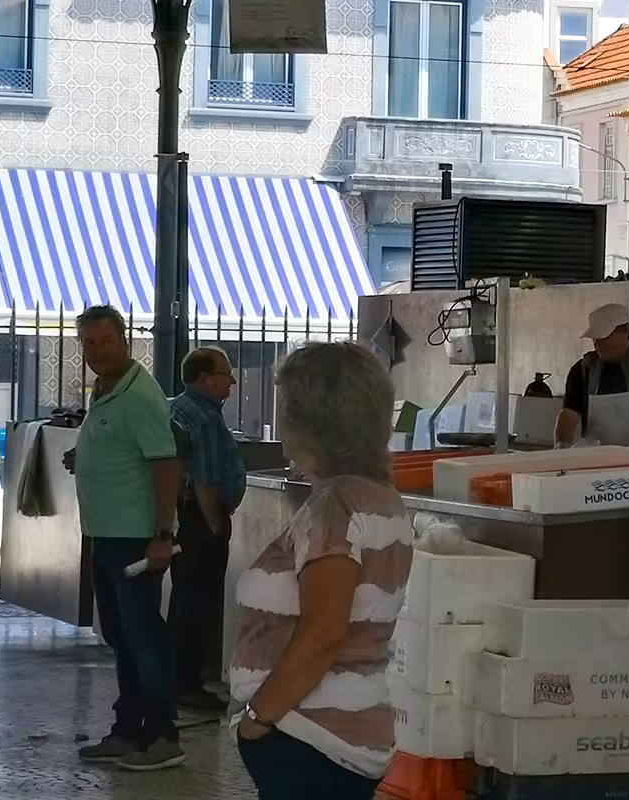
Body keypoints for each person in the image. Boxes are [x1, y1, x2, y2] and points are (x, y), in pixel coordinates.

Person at [229, 341, 409, 800]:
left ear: (309, 418)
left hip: (308, 734)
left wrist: (258, 717)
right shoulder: (379, 496)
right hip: (344, 731)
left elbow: (324, 633)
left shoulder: (335, 506)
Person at [71, 305, 186, 771]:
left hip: (135, 541)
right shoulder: (106, 391)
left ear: (125, 340)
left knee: (143, 639)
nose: (98, 351)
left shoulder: (139, 396)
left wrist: (162, 534)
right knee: (122, 637)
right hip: (104, 534)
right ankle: (128, 730)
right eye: (89, 343)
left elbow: (165, 464)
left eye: (106, 341)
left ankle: (163, 736)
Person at [169, 346, 247, 710]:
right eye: (225, 375)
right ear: (204, 378)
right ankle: (186, 683)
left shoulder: (177, 408)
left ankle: (179, 677)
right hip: (200, 521)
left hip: (186, 519)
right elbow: (203, 478)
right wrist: (216, 525)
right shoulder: (201, 418)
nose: (231, 383)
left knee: (185, 600)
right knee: (196, 602)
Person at [556, 302, 629, 447]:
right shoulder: (583, 370)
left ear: (628, 331)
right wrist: (562, 448)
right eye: (595, 338)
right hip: (598, 461)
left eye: (604, 336)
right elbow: (568, 415)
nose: (597, 342)